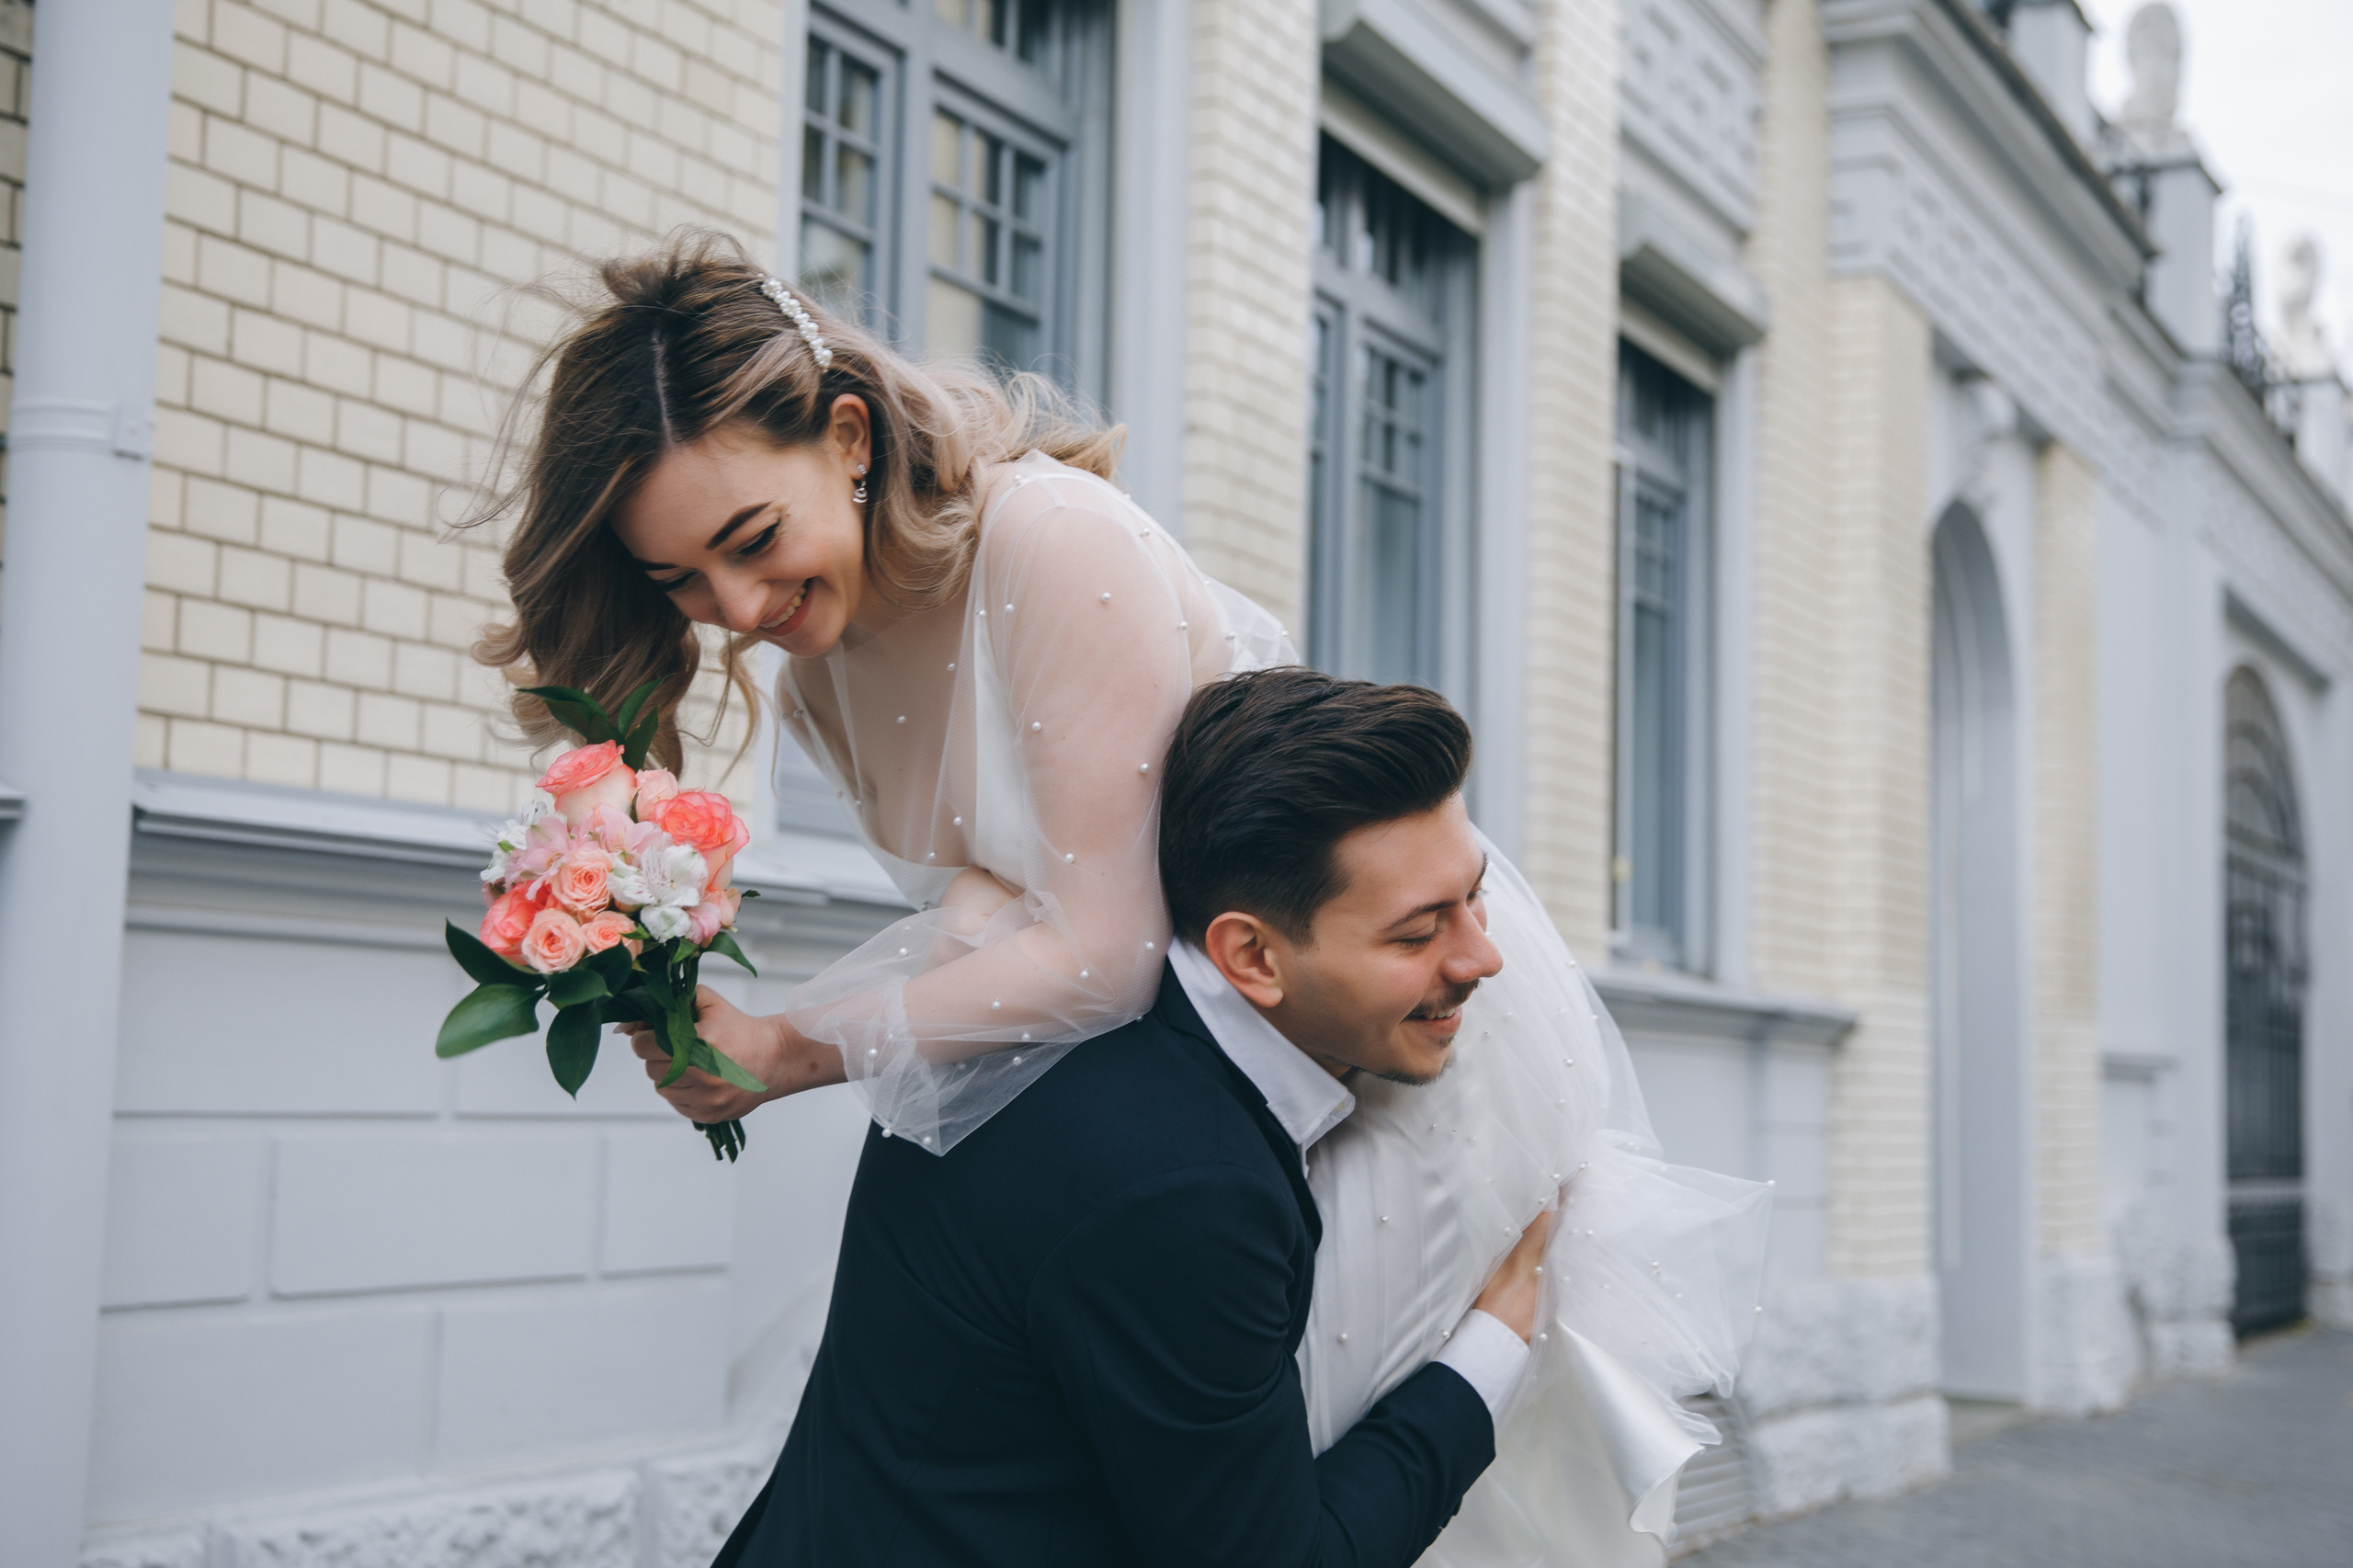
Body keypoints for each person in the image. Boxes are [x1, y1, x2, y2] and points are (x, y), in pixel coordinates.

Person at [474, 231, 1769, 1563]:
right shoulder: (819, 682)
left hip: (1359, 1055)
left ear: (850, 437)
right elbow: (994, 884)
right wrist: (746, 1029)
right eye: (681, 581)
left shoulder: (1048, 539)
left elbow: (1102, 955)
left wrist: (792, 1046)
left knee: (1344, 1505)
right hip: (1177, 1094)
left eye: (751, 541)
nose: (738, 606)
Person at [715, 671, 1545, 1566]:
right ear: (1251, 955)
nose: (1484, 954)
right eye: (1418, 932)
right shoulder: (1186, 1190)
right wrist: (1491, 1347)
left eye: (1474, 895)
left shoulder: (1037, 1009)